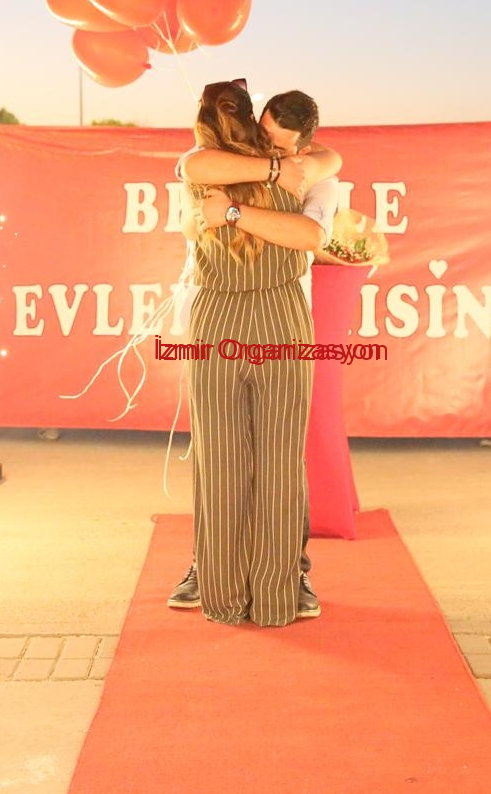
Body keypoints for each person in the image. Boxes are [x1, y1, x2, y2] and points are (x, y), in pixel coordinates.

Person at [167, 89, 341, 619]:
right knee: (229, 461)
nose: (270, 146)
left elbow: (311, 233)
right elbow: (193, 164)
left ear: (303, 145)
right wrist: (273, 171)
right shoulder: (213, 166)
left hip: (271, 318)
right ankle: (231, 583)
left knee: (271, 463)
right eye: (264, 134)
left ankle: (278, 583)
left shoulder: (312, 172)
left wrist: (233, 211)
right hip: (234, 318)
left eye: (282, 145)